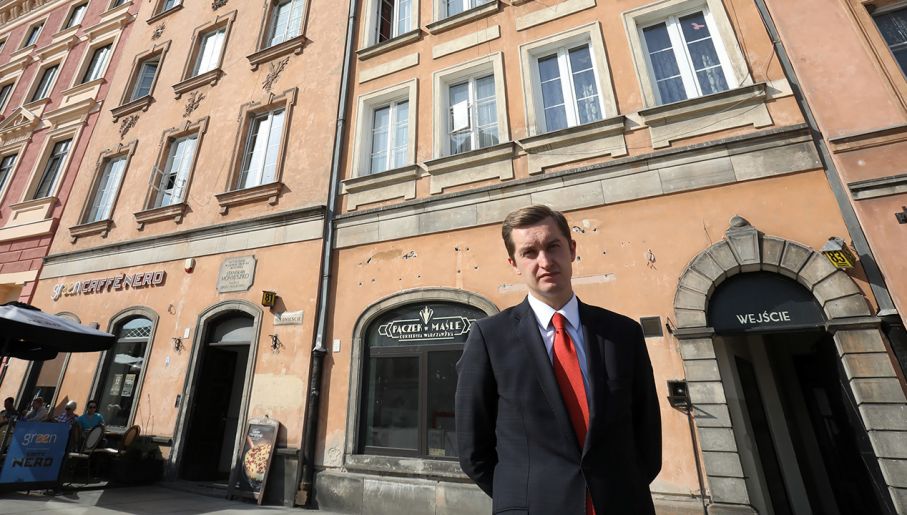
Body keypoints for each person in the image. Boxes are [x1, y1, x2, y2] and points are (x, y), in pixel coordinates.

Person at [455, 205, 662, 515]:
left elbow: (647, 434)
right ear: (514, 264)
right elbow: (473, 450)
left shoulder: (622, 333)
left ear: (572, 249)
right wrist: (520, 497)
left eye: (553, 246)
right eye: (529, 252)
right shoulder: (489, 338)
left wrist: (624, 487)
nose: (545, 261)